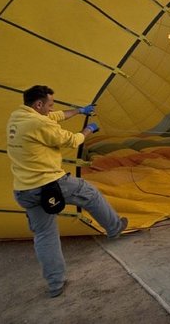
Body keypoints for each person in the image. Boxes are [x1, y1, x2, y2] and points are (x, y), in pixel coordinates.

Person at [7, 85, 128, 298]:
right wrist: (89, 130)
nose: (52, 109)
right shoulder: (38, 123)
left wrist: (79, 111)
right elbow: (72, 141)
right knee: (89, 193)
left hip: (23, 190)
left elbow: (53, 117)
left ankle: (55, 284)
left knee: (45, 235)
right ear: (38, 104)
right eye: (49, 104)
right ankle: (114, 227)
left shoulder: (18, 117)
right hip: (48, 184)